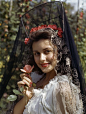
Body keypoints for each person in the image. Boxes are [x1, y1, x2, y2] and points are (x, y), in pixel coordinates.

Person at [13, 27, 83, 114]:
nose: (41, 59)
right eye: (37, 53)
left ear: (59, 52)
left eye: (47, 51)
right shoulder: (35, 79)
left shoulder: (62, 89)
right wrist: (27, 96)